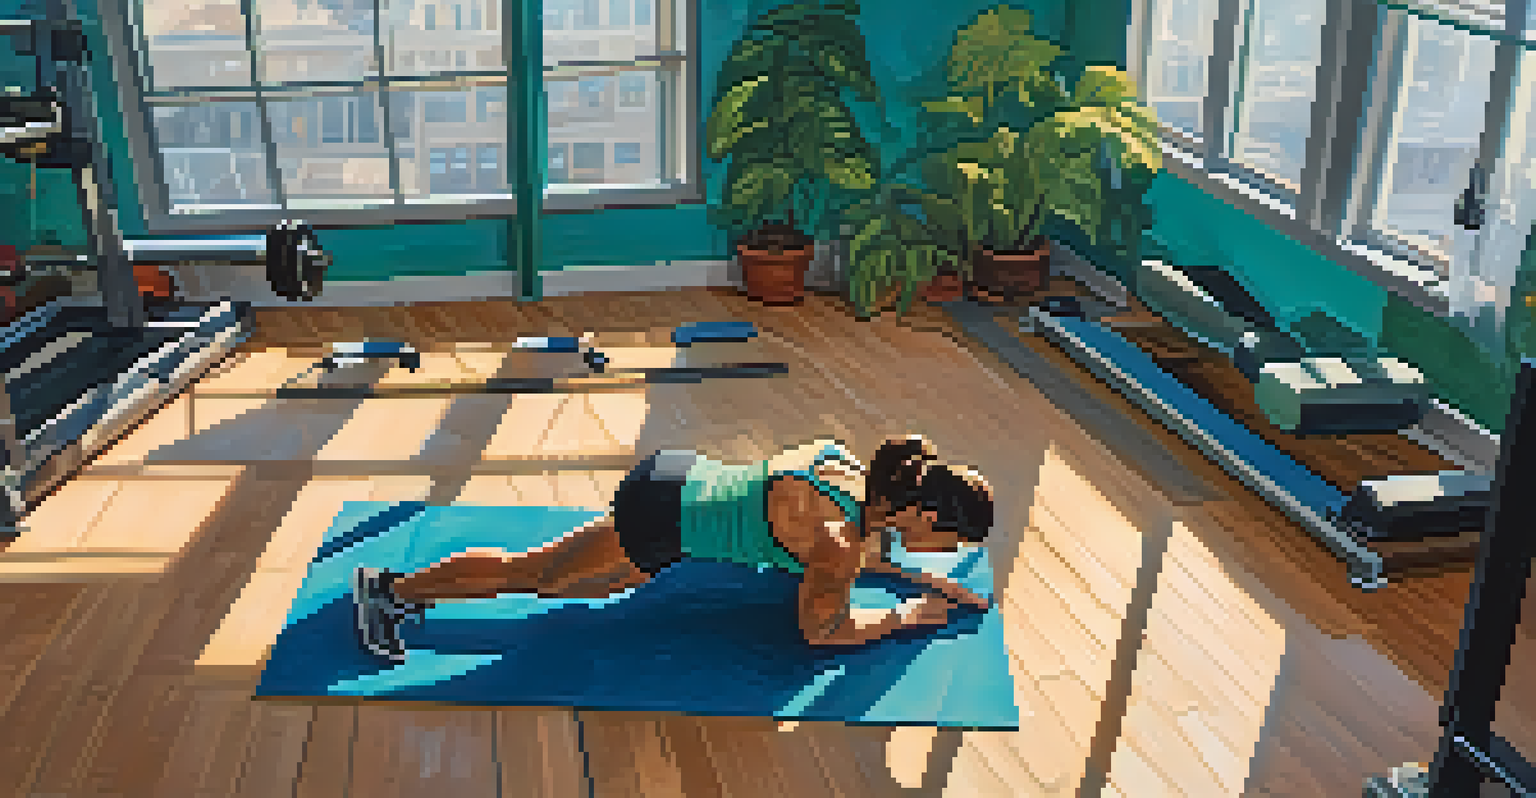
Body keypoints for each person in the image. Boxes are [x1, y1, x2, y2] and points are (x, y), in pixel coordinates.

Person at [354, 435, 996, 662]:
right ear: (923, 512)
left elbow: (867, 553)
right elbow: (823, 630)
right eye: (951, 538)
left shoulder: (851, 472)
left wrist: (935, 586)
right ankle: (390, 590)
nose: (949, 550)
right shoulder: (835, 547)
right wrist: (905, 616)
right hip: (663, 521)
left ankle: (401, 589)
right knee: (542, 575)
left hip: (681, 472)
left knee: (565, 579)